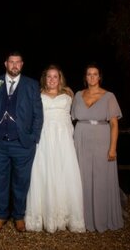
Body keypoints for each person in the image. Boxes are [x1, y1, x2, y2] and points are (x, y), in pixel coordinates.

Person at [0, 51, 43, 232]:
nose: (14, 65)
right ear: (6, 64)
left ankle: (19, 216)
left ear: (22, 65)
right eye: (11, 62)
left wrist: (33, 138)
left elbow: (38, 115)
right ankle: (1, 215)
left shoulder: (32, 85)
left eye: (18, 62)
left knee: (21, 181)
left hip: (22, 144)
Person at [25, 65, 85, 233]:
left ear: (60, 79)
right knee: (43, 172)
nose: (52, 79)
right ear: (45, 79)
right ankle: (43, 217)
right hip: (44, 137)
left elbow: (73, 117)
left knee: (64, 173)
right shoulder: (38, 95)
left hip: (63, 140)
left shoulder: (68, 95)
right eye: (49, 76)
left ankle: (66, 216)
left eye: (55, 76)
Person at [72, 63, 124, 232]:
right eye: (89, 74)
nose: (92, 77)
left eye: (95, 74)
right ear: (85, 77)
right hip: (81, 139)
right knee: (82, 179)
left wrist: (112, 148)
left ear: (99, 77)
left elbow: (114, 125)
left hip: (102, 139)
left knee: (101, 180)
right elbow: (70, 120)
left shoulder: (109, 96)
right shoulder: (78, 95)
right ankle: (83, 220)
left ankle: (102, 219)